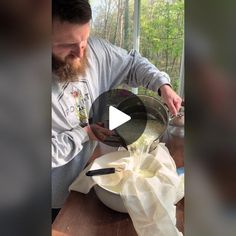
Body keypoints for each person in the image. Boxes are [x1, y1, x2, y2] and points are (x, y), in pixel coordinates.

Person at [52, 0, 182, 218]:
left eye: (84, 40)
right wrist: (83, 134)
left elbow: (132, 63)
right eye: (68, 45)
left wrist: (162, 85)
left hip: (87, 181)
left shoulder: (94, 50)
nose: (80, 52)